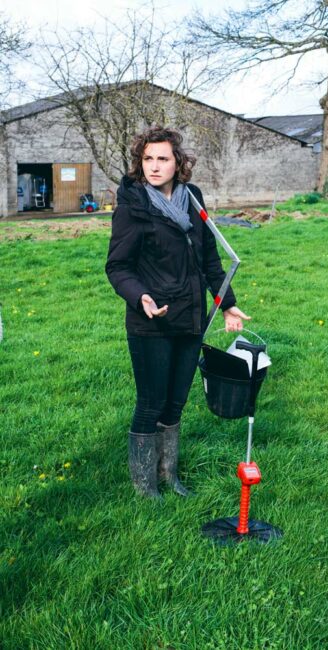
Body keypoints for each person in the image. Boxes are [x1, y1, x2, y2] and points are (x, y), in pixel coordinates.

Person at [106, 125, 250, 499]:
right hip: (150, 321)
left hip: (189, 319)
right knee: (150, 401)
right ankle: (145, 486)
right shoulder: (133, 206)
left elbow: (209, 260)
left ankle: (169, 476)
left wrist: (228, 303)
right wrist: (140, 298)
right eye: (148, 158)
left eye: (163, 159)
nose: (154, 166)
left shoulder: (193, 199)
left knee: (176, 402)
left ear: (178, 163)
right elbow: (118, 267)